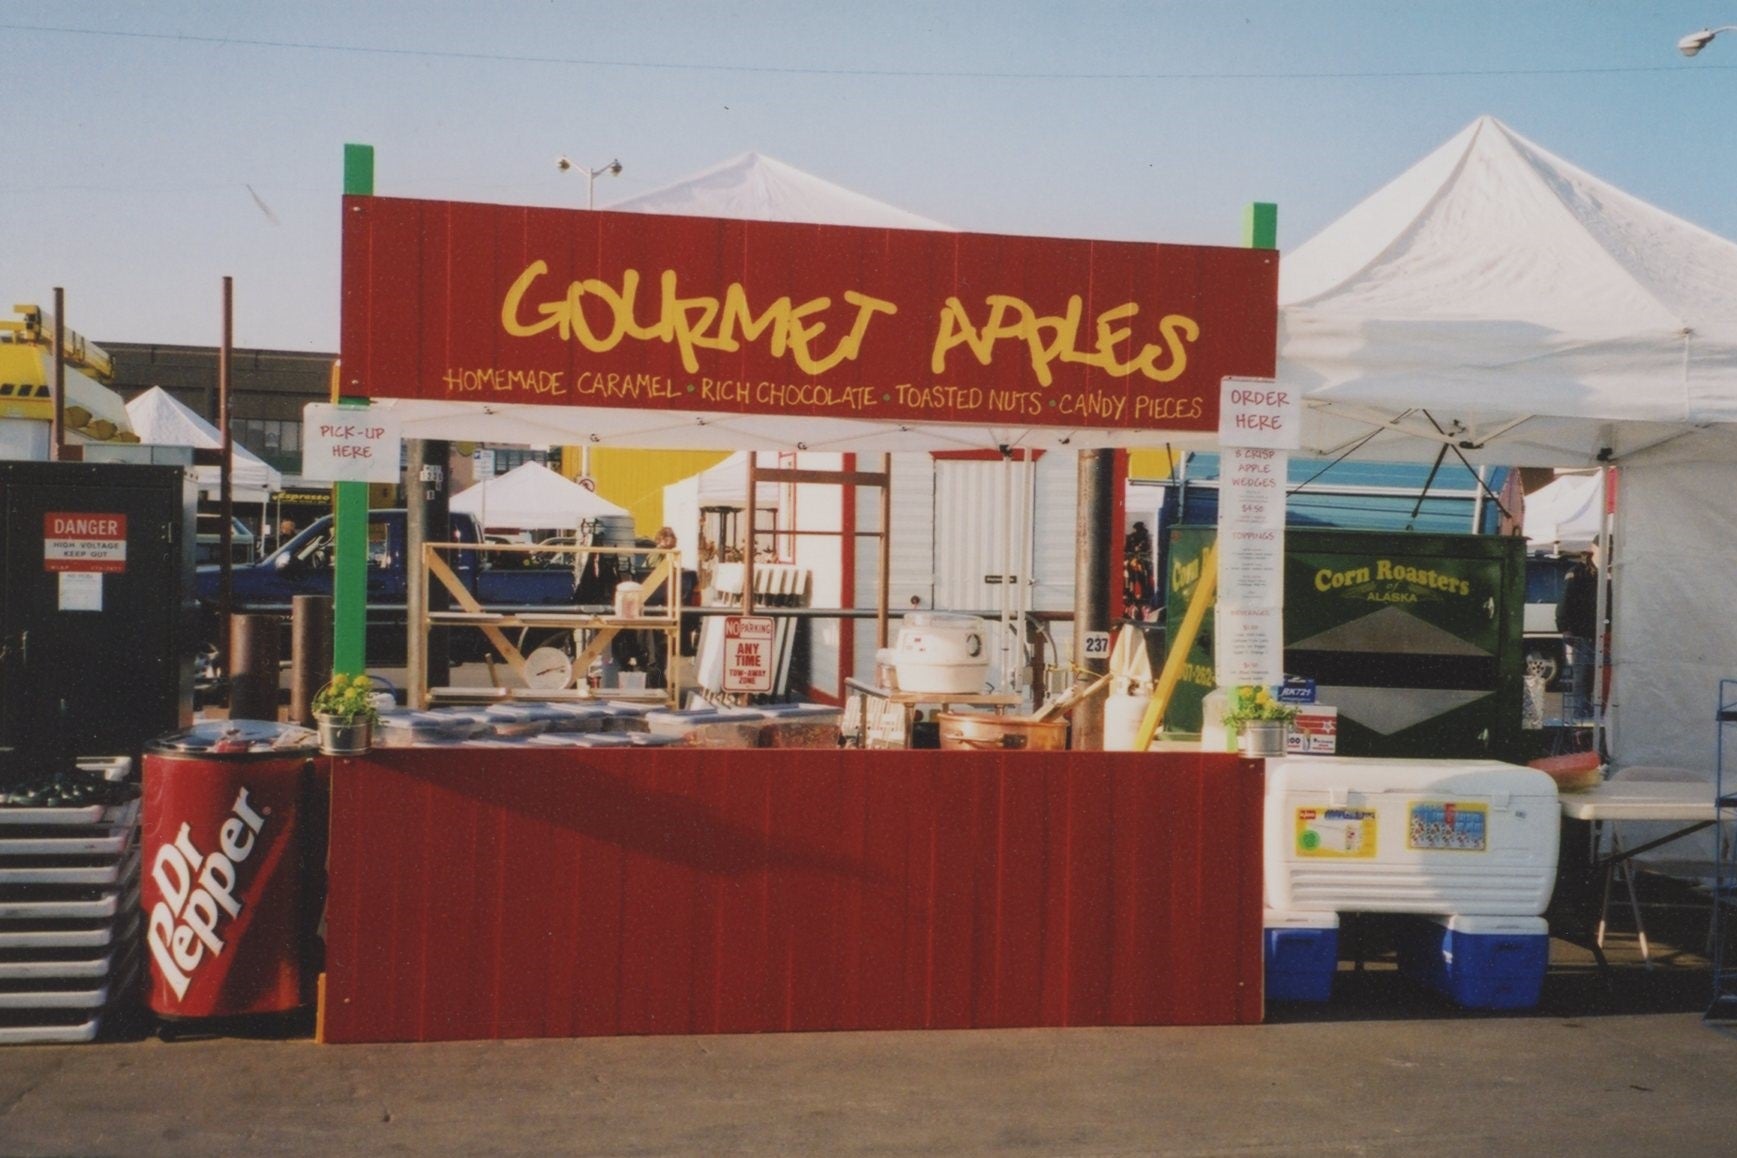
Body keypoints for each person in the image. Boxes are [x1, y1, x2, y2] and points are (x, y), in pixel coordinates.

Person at [1555, 548, 1599, 723]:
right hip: (1581, 630)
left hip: (1596, 630)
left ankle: (1586, 708)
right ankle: (1580, 711)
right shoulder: (1577, 573)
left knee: (1592, 673)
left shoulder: (1602, 572)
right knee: (1582, 672)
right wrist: (1564, 627)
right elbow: (1565, 601)